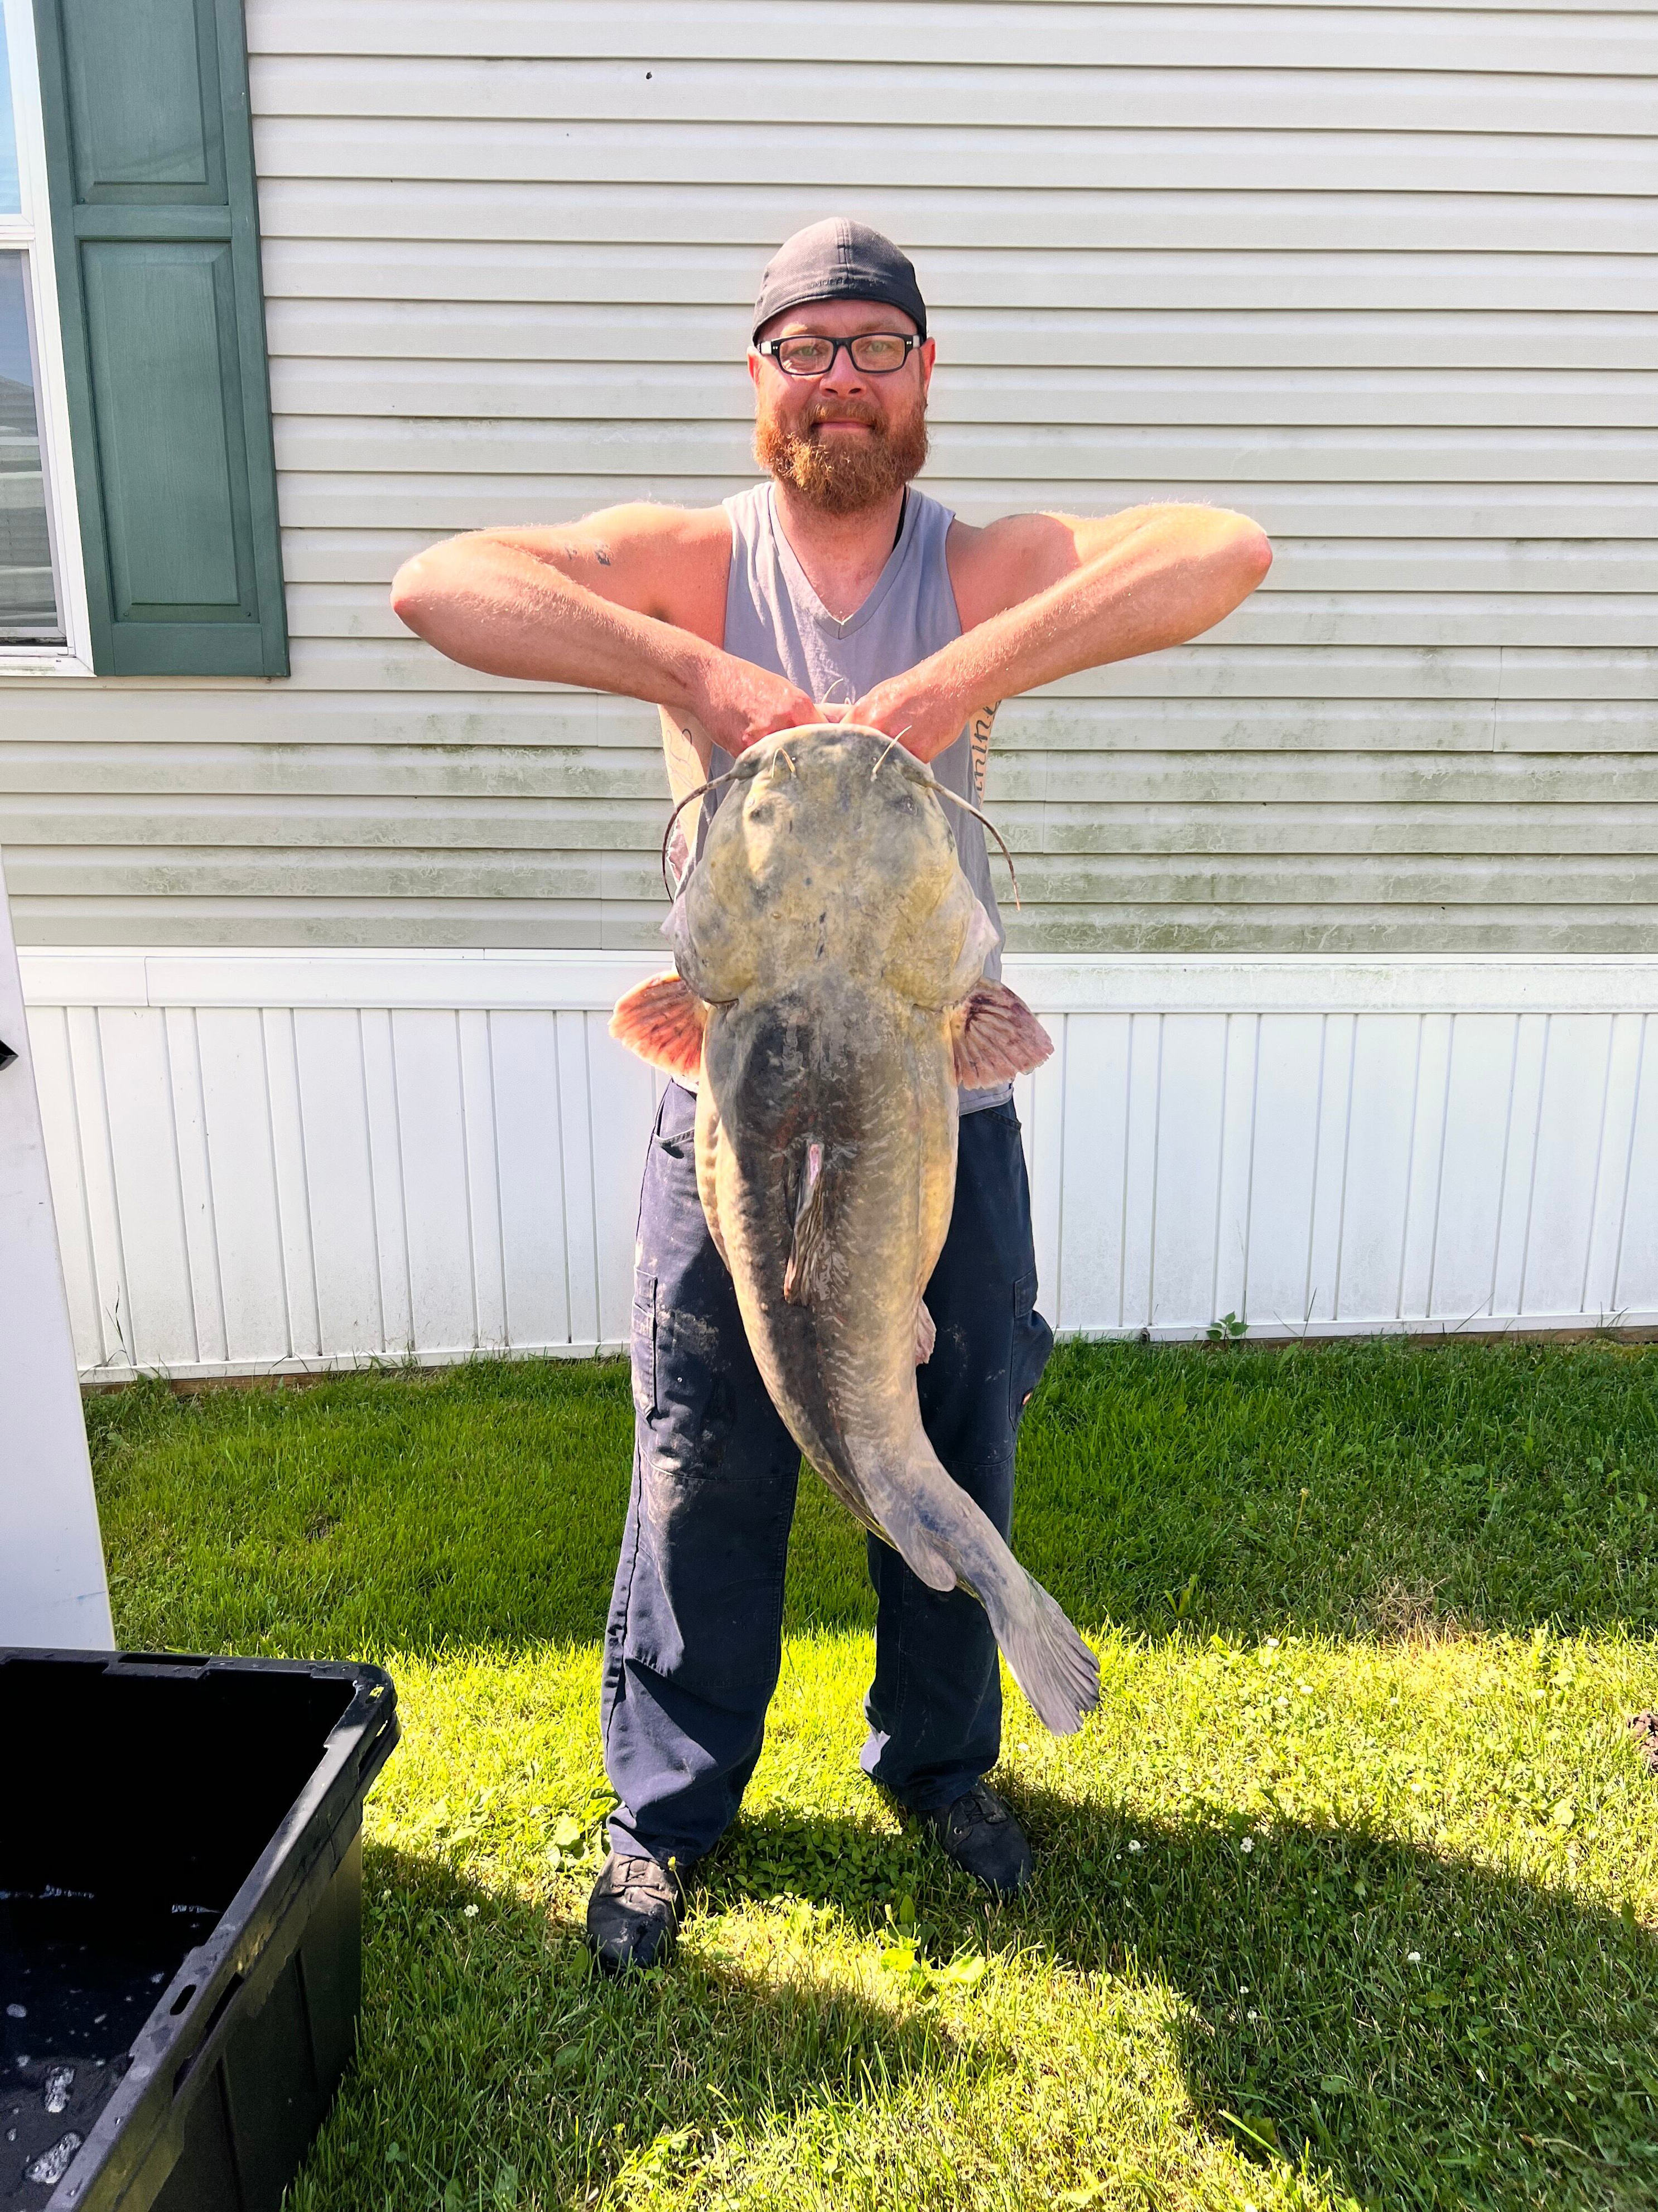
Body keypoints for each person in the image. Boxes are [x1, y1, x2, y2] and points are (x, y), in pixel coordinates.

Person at [391, 218, 1272, 1971]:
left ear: (926, 375)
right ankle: (669, 1813)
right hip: (733, 1108)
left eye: (877, 347)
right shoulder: (693, 561)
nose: (842, 382)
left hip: (939, 1098)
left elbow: (1223, 549)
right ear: (760, 385)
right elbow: (437, 585)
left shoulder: (984, 559)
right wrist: (700, 676)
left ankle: (941, 1767)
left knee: (956, 1436)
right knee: (700, 1461)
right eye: (807, 351)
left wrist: (952, 682)